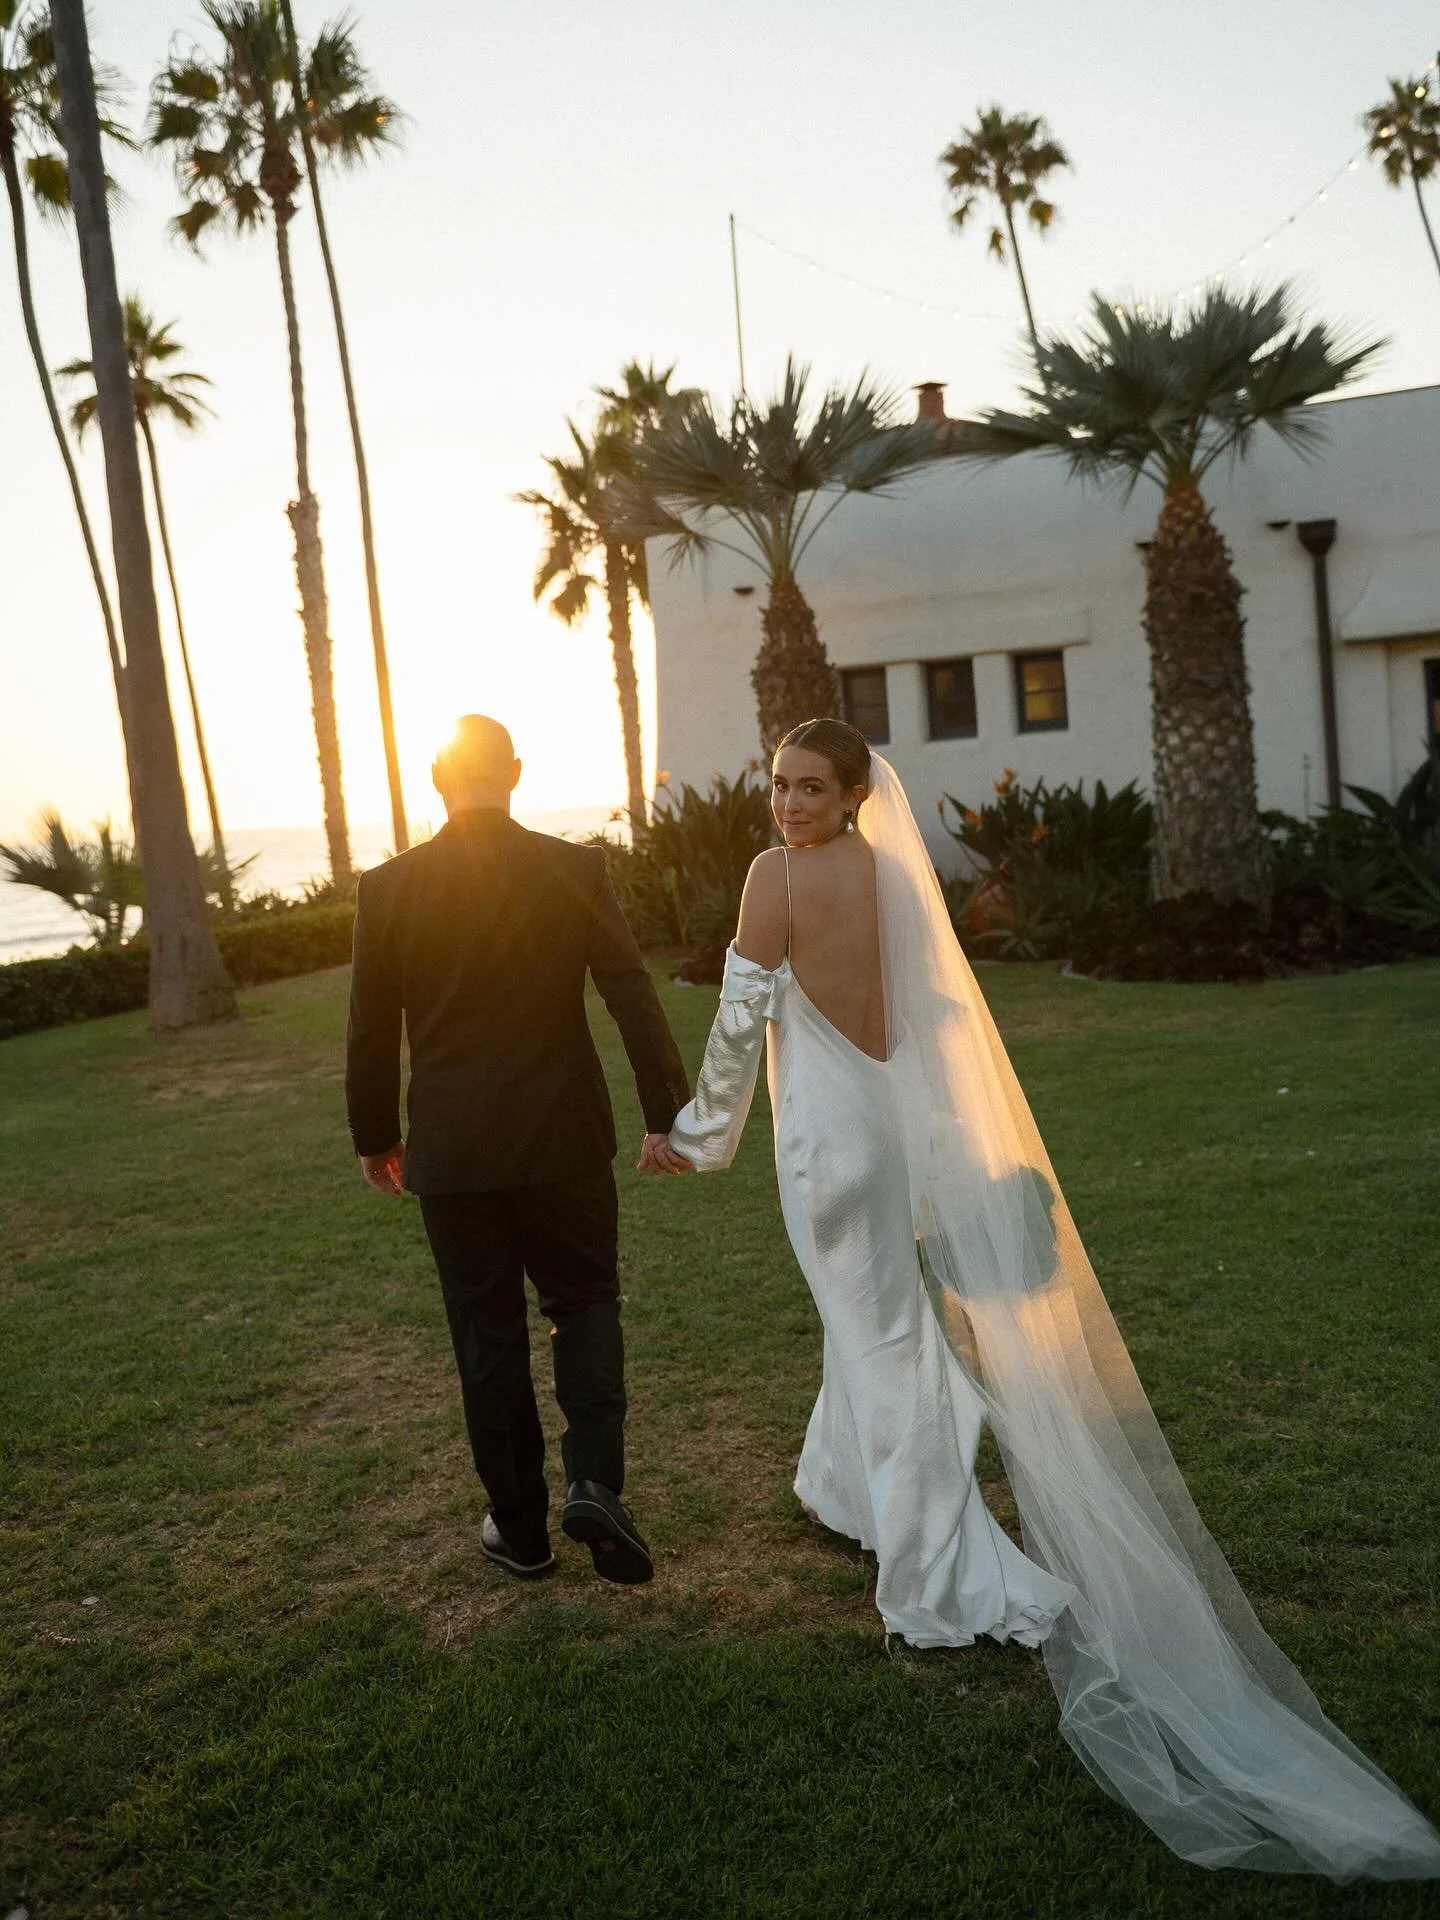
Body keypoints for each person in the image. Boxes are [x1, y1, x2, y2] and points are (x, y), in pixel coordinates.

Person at [651, 716, 1440, 1882]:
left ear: (855, 793)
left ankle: (930, 1581)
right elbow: (935, 1013)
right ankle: (842, 1486)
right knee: (875, 1321)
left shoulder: (775, 877)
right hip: (893, 1132)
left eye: (812, 787)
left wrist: (696, 1136)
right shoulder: (894, 876)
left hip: (827, 1148)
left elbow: (738, 1017)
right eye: (780, 785)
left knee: (883, 1342)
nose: (789, 805)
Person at [346, 715, 690, 1586]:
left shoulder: (388, 887)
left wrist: (375, 1136)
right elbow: (629, 991)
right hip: (564, 1137)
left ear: (436, 778)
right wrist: (664, 1112)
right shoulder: (574, 868)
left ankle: (522, 1532)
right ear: (516, 773)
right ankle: (594, 1483)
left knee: (487, 1335)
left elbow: (370, 1028)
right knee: (586, 1302)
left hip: (455, 1152)